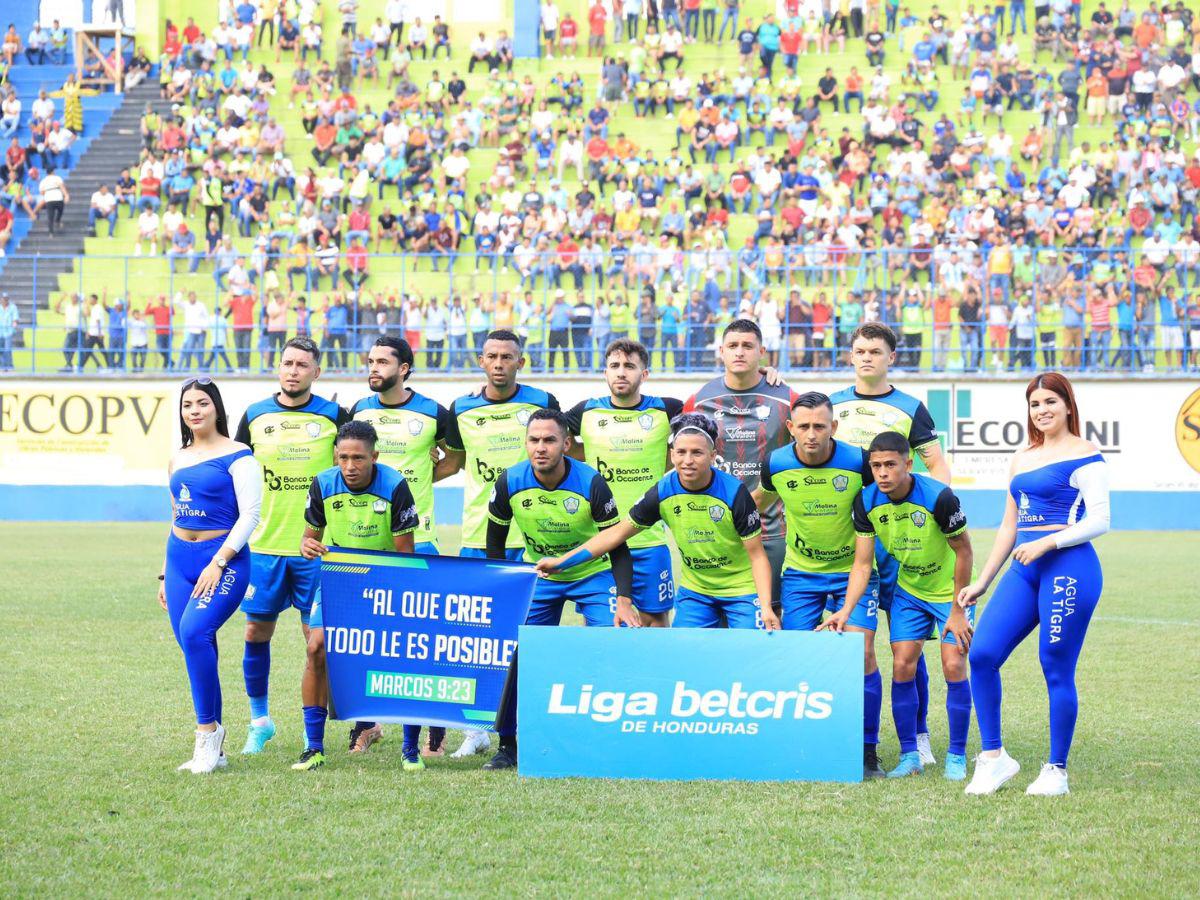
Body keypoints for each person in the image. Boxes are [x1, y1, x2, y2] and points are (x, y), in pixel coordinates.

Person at [961, 373, 1108, 797]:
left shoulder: (1086, 455)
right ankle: (994, 759)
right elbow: (1009, 525)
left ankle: (1056, 771)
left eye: (1049, 402)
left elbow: (1100, 519)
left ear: (1067, 405)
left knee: (1055, 665)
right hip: (1025, 568)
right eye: (1034, 403)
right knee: (983, 653)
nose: (1041, 410)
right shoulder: (1022, 456)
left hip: (1070, 567)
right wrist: (983, 581)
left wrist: (1047, 542)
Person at [483, 408, 636, 770]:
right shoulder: (509, 482)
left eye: (549, 440)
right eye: (534, 440)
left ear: (566, 444)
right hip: (541, 576)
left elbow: (617, 544)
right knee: (515, 653)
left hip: (592, 575)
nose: (540, 448)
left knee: (612, 645)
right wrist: (502, 590)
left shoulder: (591, 483)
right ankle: (508, 744)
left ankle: (609, 741)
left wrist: (625, 600)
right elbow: (495, 541)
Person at [829, 322, 950, 767]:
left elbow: (937, 465)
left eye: (875, 352)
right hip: (852, 541)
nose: (866, 358)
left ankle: (917, 737)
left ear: (890, 357)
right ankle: (853, 737)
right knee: (859, 645)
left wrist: (935, 516)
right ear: (851, 356)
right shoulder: (834, 406)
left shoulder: (910, 408)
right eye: (859, 350)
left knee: (907, 644)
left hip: (899, 543)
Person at [436, 329, 559, 758]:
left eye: (508, 356)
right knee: (478, 637)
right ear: (482, 361)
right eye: (492, 356)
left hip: (532, 539)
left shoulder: (542, 403)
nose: (500, 363)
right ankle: (477, 729)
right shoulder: (462, 407)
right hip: (476, 535)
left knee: (528, 637)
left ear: (520, 362)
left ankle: (529, 721)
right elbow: (452, 460)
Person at [540, 413, 778, 631]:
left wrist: (766, 606)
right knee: (682, 656)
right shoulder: (663, 491)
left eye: (697, 453)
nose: (688, 460)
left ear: (713, 456)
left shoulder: (735, 494)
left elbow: (757, 556)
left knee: (750, 650)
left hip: (742, 590)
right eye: (681, 452)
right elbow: (615, 534)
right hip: (697, 592)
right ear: (672, 454)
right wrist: (561, 562)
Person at [753, 392, 883, 778]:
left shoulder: (858, 463)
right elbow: (756, 501)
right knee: (798, 659)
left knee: (862, 653)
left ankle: (866, 750)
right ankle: (803, 744)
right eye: (804, 426)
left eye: (820, 427)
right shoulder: (775, 464)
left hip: (854, 572)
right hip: (800, 575)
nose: (812, 435)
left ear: (834, 428)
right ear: (790, 428)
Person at [234, 337, 349, 758]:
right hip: (263, 547)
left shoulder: (336, 416)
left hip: (315, 549)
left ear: (317, 372)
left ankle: (310, 734)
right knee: (254, 632)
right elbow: (238, 475)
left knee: (315, 644)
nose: (293, 370)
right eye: (287, 363)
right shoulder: (255, 416)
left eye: (303, 364)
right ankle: (259, 722)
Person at [350, 336, 459, 761]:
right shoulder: (358, 411)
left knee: (427, 639)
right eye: (370, 360)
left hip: (421, 536)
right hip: (368, 540)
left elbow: (456, 457)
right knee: (364, 638)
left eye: (382, 361)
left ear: (405, 367)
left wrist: (422, 482)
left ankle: (434, 735)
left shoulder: (433, 412)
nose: (373, 367)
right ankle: (367, 725)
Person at [847, 431, 974, 780]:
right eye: (876, 466)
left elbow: (964, 551)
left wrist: (958, 609)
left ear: (909, 463)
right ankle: (909, 755)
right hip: (909, 591)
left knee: (953, 664)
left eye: (890, 465)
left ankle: (957, 756)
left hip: (950, 593)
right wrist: (845, 611)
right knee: (902, 664)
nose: (883, 473)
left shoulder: (940, 498)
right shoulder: (866, 501)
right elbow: (861, 564)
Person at [294, 420, 420, 771]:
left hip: (388, 579)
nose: (350, 466)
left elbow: (405, 556)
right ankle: (314, 747)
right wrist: (307, 544)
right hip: (340, 579)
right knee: (316, 647)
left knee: (403, 657)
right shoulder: (322, 483)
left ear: (374, 456)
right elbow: (309, 536)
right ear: (335, 455)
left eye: (358, 459)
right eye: (343, 457)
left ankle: (410, 751)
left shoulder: (395, 485)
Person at [161, 378, 262, 773]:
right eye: (188, 405)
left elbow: (251, 514)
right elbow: (174, 515)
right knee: (196, 645)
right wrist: (164, 572)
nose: (195, 410)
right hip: (179, 560)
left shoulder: (239, 455)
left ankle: (206, 735)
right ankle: (216, 749)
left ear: (217, 408)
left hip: (223, 558)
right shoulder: (178, 458)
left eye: (203, 403)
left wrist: (218, 560)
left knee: (194, 632)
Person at [565, 339, 684, 626]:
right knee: (604, 627)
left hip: (649, 542)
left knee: (654, 622)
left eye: (629, 366)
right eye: (614, 366)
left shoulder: (666, 410)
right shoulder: (586, 412)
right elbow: (552, 438)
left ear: (644, 375)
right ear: (605, 372)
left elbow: (711, 409)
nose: (621, 372)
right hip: (601, 543)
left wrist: (763, 375)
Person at [682, 319, 797, 612]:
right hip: (719, 531)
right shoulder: (698, 401)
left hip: (772, 530)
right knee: (720, 619)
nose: (740, 352)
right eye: (733, 346)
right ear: (721, 351)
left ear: (762, 351)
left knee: (772, 616)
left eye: (747, 346)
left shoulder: (787, 398)